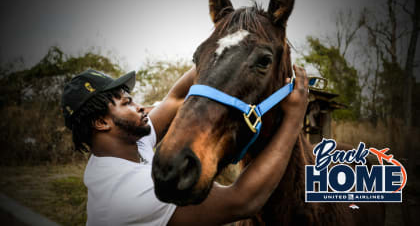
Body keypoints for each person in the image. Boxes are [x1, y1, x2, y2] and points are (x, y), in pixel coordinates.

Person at [61, 64, 309, 226]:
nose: (139, 107)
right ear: (102, 122)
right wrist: (295, 117)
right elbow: (242, 200)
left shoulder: (125, 145)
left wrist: (227, 40)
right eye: (126, 103)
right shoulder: (133, 191)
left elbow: (175, 98)